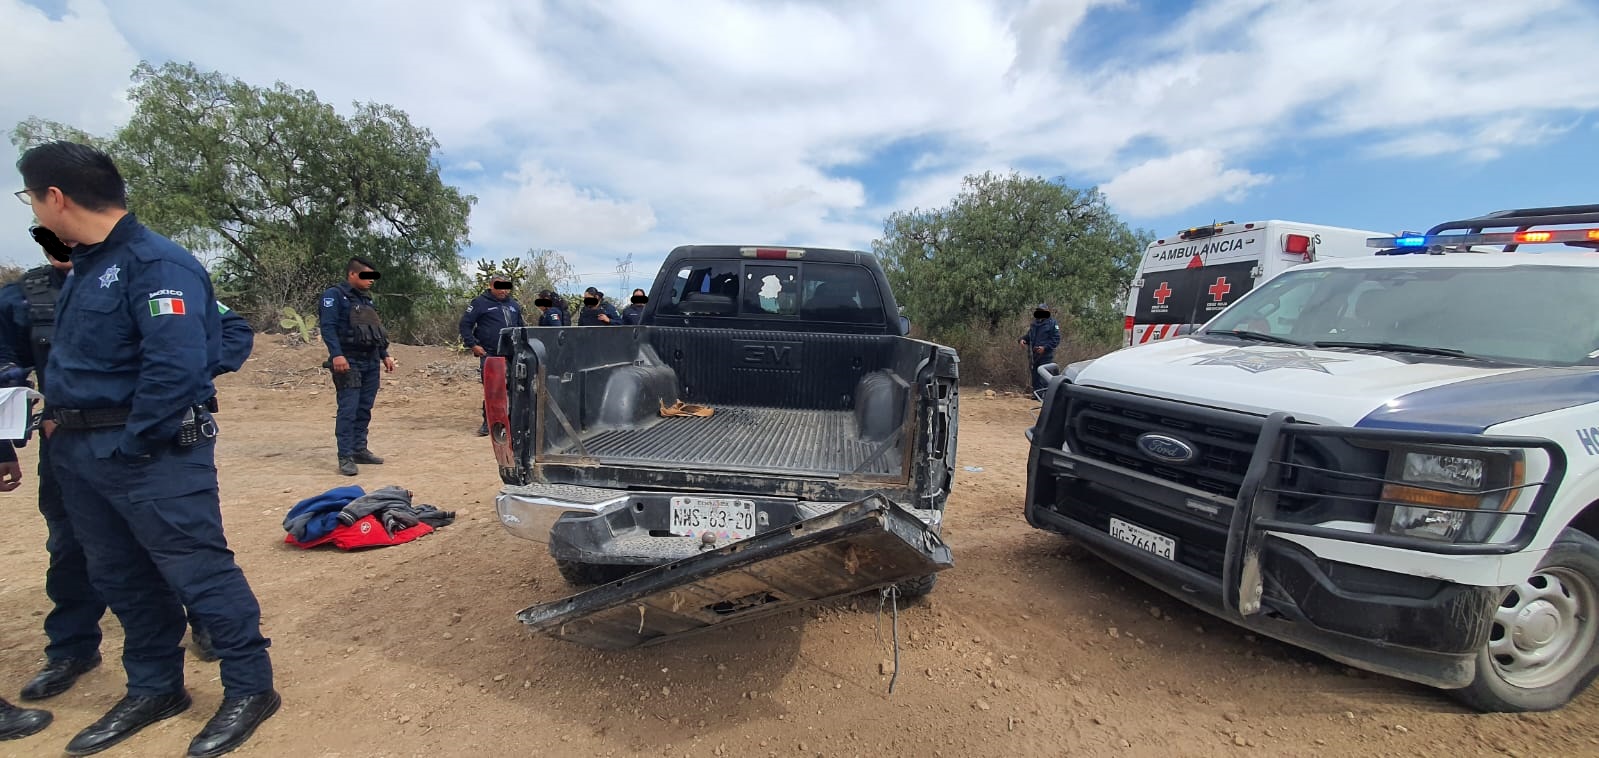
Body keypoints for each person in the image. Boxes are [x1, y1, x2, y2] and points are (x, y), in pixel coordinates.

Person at [18, 140, 278, 757]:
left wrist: (133, 443)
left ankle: (249, 686)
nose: (31, 208)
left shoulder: (156, 263)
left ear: (55, 197)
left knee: (197, 570)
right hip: (79, 453)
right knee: (121, 576)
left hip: (147, 452)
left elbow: (176, 366)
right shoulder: (85, 265)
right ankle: (155, 686)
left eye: (30, 196)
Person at [0, 224, 256, 713]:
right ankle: (72, 650)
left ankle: (204, 627)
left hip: (149, 439)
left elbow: (227, 331)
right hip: (69, 447)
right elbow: (4, 366)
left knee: (182, 546)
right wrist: (11, 436)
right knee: (80, 551)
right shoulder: (22, 298)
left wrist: (185, 380)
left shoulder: (147, 271)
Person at [319, 257, 396, 476]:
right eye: (366, 275)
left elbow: (374, 332)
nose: (371, 280)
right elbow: (328, 327)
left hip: (370, 361)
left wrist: (385, 355)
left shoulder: (366, 301)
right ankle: (345, 456)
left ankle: (359, 449)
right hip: (348, 361)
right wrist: (337, 355)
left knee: (364, 408)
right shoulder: (334, 296)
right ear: (352, 274)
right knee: (348, 409)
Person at [458, 275, 524, 436]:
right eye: (499, 287)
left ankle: (511, 422)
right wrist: (473, 345)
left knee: (515, 389)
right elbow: (465, 325)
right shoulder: (480, 303)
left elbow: (521, 327)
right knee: (493, 390)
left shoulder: (514, 305)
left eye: (506, 287)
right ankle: (488, 423)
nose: (503, 290)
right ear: (491, 286)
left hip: (512, 354)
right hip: (490, 354)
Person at [1019, 302, 1061, 395]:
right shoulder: (1035, 323)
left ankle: (1045, 396)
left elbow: (1056, 339)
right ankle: (1036, 394)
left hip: (1046, 356)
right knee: (1035, 376)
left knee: (1044, 376)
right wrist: (1022, 340)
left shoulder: (1052, 323)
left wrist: (1045, 348)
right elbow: (1029, 336)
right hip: (1034, 355)